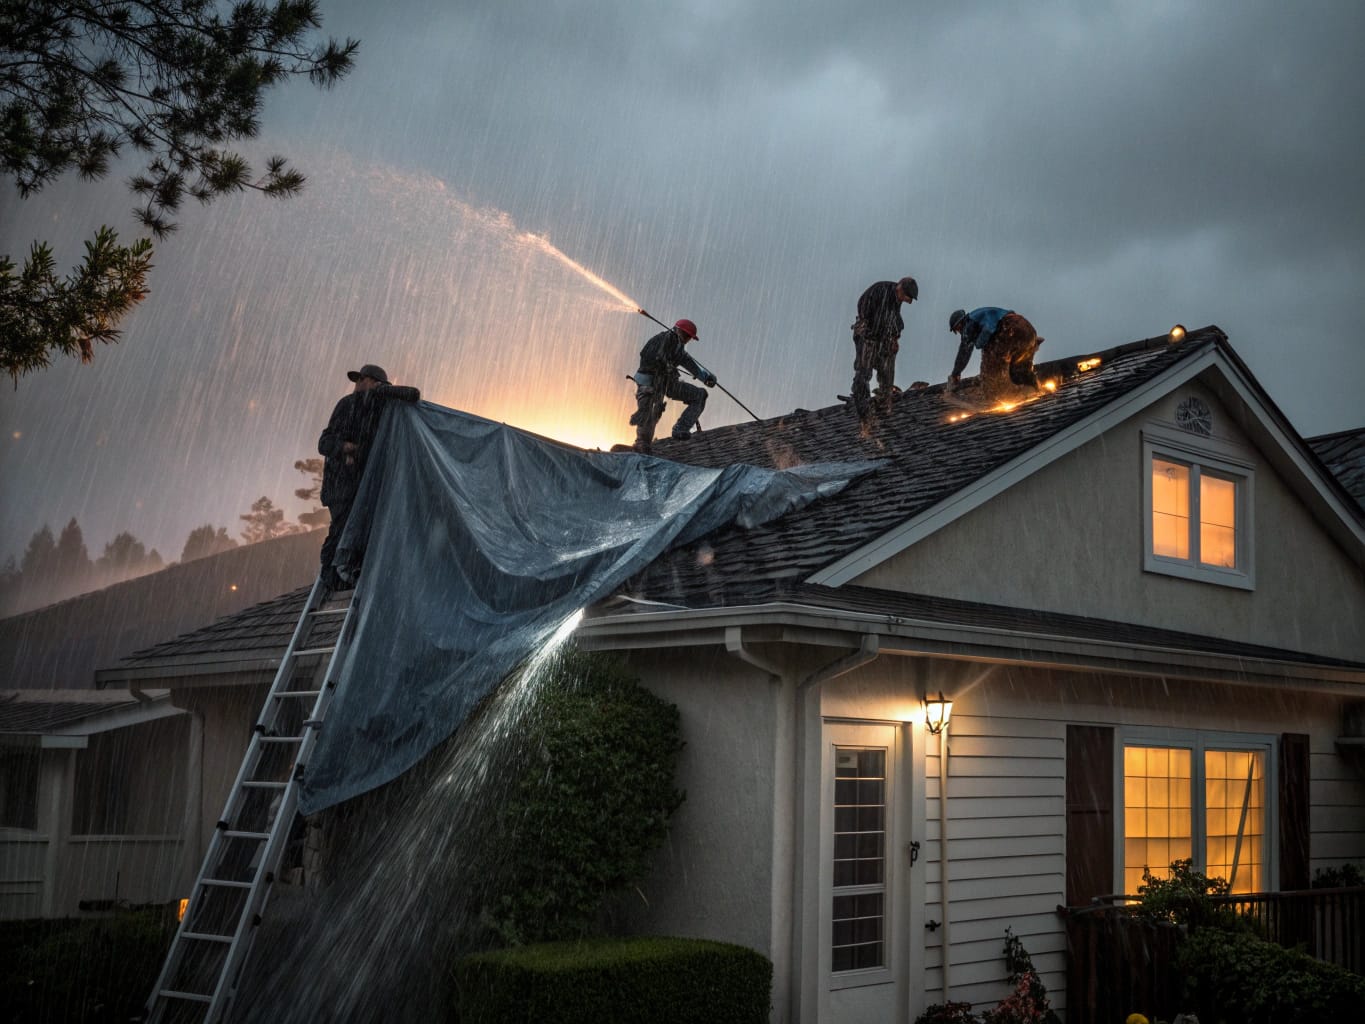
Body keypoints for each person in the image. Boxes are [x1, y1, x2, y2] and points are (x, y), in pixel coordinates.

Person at [317, 364, 421, 590]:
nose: (358, 385)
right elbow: (323, 444)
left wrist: (380, 391)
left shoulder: (380, 405)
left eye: (363, 380)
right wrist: (346, 448)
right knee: (341, 530)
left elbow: (413, 394)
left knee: (362, 530)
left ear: (376, 383)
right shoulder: (346, 405)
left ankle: (351, 573)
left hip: (361, 486)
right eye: (357, 380)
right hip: (340, 486)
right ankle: (331, 579)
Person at [629, 318, 716, 453]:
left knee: (700, 395)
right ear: (678, 331)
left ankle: (681, 429)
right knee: (649, 413)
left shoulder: (679, 349)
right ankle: (641, 446)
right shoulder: (660, 340)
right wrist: (666, 366)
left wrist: (706, 378)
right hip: (649, 384)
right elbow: (647, 355)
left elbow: (689, 364)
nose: (687, 339)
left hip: (666, 384)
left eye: (690, 338)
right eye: (686, 335)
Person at [850, 276, 918, 427]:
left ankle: (883, 403)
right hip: (868, 336)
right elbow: (863, 307)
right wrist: (868, 330)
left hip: (883, 338)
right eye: (907, 297)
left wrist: (894, 339)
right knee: (864, 371)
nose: (908, 301)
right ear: (900, 288)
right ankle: (863, 409)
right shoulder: (880, 290)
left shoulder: (896, 300)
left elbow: (895, 321)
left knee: (887, 370)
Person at [947, 307, 1043, 400]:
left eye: (958, 329)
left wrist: (956, 374)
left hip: (1011, 329)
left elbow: (964, 351)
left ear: (960, 323)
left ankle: (994, 395)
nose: (960, 332)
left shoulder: (969, 323)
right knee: (1017, 372)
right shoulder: (980, 317)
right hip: (1028, 331)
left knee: (989, 361)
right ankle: (1036, 388)